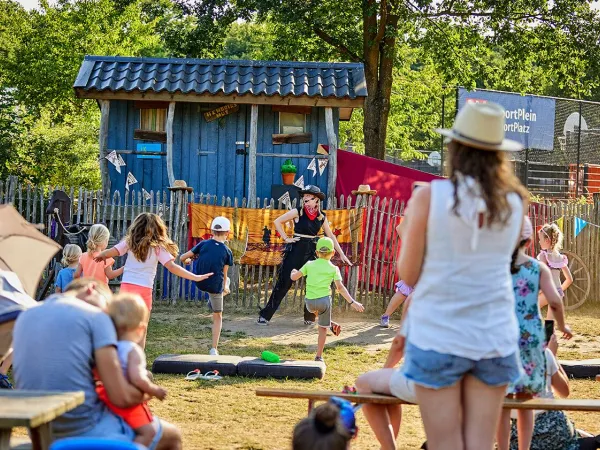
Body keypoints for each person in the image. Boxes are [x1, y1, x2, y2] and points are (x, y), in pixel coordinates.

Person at [398, 101, 529, 450]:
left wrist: (410, 232)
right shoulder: (516, 202)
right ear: (499, 155)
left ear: (455, 147)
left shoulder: (429, 196)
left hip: (438, 333)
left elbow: (408, 274)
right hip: (494, 335)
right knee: (480, 445)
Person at [12, 278, 182, 449]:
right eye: (107, 307)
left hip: (40, 432)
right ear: (90, 289)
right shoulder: (96, 317)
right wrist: (148, 392)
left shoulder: (26, 315)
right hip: (84, 429)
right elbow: (121, 397)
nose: (110, 319)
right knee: (172, 436)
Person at [496, 216, 573, 450]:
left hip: (503, 337)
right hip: (531, 340)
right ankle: (525, 447)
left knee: (503, 401)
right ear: (528, 240)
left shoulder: (496, 267)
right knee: (527, 397)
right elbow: (555, 301)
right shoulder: (537, 267)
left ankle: (502, 445)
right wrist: (561, 326)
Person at [95, 213, 213, 347]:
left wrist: (102, 255)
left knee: (124, 326)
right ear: (158, 229)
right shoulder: (158, 248)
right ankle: (138, 359)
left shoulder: (129, 243)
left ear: (136, 227)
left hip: (127, 288)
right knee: (142, 328)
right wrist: (195, 277)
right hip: (144, 289)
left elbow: (113, 251)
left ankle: (122, 355)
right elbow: (172, 267)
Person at [257, 185, 352, 326]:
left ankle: (309, 318)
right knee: (284, 283)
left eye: (309, 196)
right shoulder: (298, 212)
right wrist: (286, 238)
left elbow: (330, 235)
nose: (305, 198)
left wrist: (342, 254)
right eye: (304, 196)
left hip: (312, 251)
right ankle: (265, 316)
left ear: (316, 200)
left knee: (312, 283)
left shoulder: (322, 217)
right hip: (296, 249)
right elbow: (277, 222)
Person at [508, 334, 600, 450]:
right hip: (555, 431)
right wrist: (553, 356)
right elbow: (564, 391)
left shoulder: (496, 359)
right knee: (586, 440)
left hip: (517, 438)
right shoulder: (543, 353)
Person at [97, 293, 167, 447]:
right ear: (141, 328)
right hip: (127, 402)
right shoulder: (133, 351)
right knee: (149, 432)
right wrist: (154, 390)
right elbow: (138, 378)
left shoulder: (109, 347)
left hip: (106, 398)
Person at [355, 295, 417, 449]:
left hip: (424, 382)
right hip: (466, 382)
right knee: (389, 389)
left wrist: (384, 371)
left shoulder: (418, 297)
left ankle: (388, 447)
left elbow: (399, 344)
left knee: (363, 383)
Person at [290, 237, 364, 363]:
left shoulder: (309, 264)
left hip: (309, 303)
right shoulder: (334, 268)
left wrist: (293, 271)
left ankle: (328, 322)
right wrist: (352, 302)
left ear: (317, 252)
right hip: (324, 302)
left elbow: (294, 277)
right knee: (322, 329)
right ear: (333, 253)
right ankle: (319, 356)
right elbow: (340, 288)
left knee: (315, 310)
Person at [180, 216, 233, 356]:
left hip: (199, 282)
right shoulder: (227, 252)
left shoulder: (203, 244)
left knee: (220, 287)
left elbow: (182, 258)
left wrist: (188, 261)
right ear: (227, 233)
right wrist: (224, 286)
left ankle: (219, 293)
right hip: (215, 287)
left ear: (212, 231)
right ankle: (214, 348)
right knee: (218, 315)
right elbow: (224, 273)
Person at [0, 270, 37, 389]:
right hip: (18, 313)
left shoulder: (7, 277)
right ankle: (2, 373)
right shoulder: (8, 276)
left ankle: (2, 373)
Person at [537, 223, 573, 320]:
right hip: (557, 294)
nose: (539, 242)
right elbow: (569, 279)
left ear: (547, 240)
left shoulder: (543, 256)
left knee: (528, 310)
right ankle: (548, 335)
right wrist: (559, 289)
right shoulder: (560, 257)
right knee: (550, 324)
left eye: (540, 239)